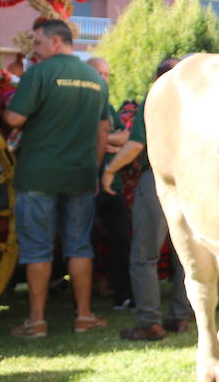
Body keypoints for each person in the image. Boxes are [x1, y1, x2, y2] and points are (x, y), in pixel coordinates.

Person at [4, 19, 110, 338]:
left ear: (54, 42)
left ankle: (36, 321)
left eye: (37, 43)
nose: (35, 50)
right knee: (79, 246)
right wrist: (94, 169)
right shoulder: (95, 78)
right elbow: (102, 130)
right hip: (79, 174)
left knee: (37, 248)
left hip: (39, 174)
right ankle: (84, 317)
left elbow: (14, 118)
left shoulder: (39, 72)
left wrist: (11, 107)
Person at [102, 57, 193, 341]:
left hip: (157, 179)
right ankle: (180, 317)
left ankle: (149, 321)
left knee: (144, 255)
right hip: (192, 181)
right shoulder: (195, 101)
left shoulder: (156, 98)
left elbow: (136, 144)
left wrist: (110, 169)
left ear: (157, 79)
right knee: (185, 255)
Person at [87, 57, 134, 310]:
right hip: (85, 185)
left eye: (107, 74)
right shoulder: (81, 104)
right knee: (84, 241)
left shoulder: (108, 106)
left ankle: (124, 296)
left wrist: (104, 140)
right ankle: (82, 303)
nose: (103, 79)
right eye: (99, 74)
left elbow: (126, 136)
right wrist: (110, 141)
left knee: (121, 239)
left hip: (111, 185)